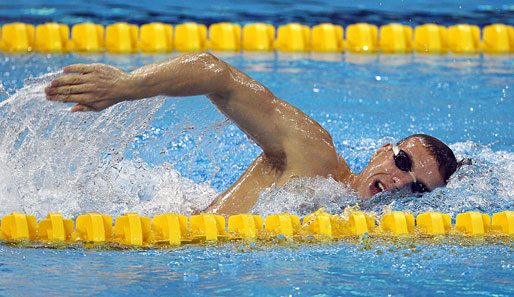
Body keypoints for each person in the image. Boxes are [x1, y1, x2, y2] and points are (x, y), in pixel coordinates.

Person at [45, 52, 457, 216]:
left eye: (418, 189)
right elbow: (217, 73)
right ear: (383, 150)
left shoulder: (353, 222)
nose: (400, 181)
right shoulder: (314, 154)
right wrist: (125, 86)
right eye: (403, 162)